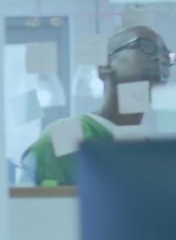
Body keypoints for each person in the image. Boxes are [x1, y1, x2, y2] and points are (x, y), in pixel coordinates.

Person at [22, 26, 172, 186]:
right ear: (104, 66)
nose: (159, 58)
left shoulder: (149, 149)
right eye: (146, 46)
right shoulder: (66, 135)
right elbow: (33, 204)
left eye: (165, 55)